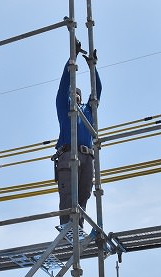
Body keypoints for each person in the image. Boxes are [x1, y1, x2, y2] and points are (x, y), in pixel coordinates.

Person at [53, 39, 102, 227]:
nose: (74, 95)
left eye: (77, 93)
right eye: (71, 92)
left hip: (87, 157)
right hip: (68, 154)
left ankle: (77, 226)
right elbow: (64, 85)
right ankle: (67, 226)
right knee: (68, 195)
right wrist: (72, 58)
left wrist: (93, 68)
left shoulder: (88, 110)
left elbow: (97, 92)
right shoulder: (64, 108)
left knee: (84, 194)